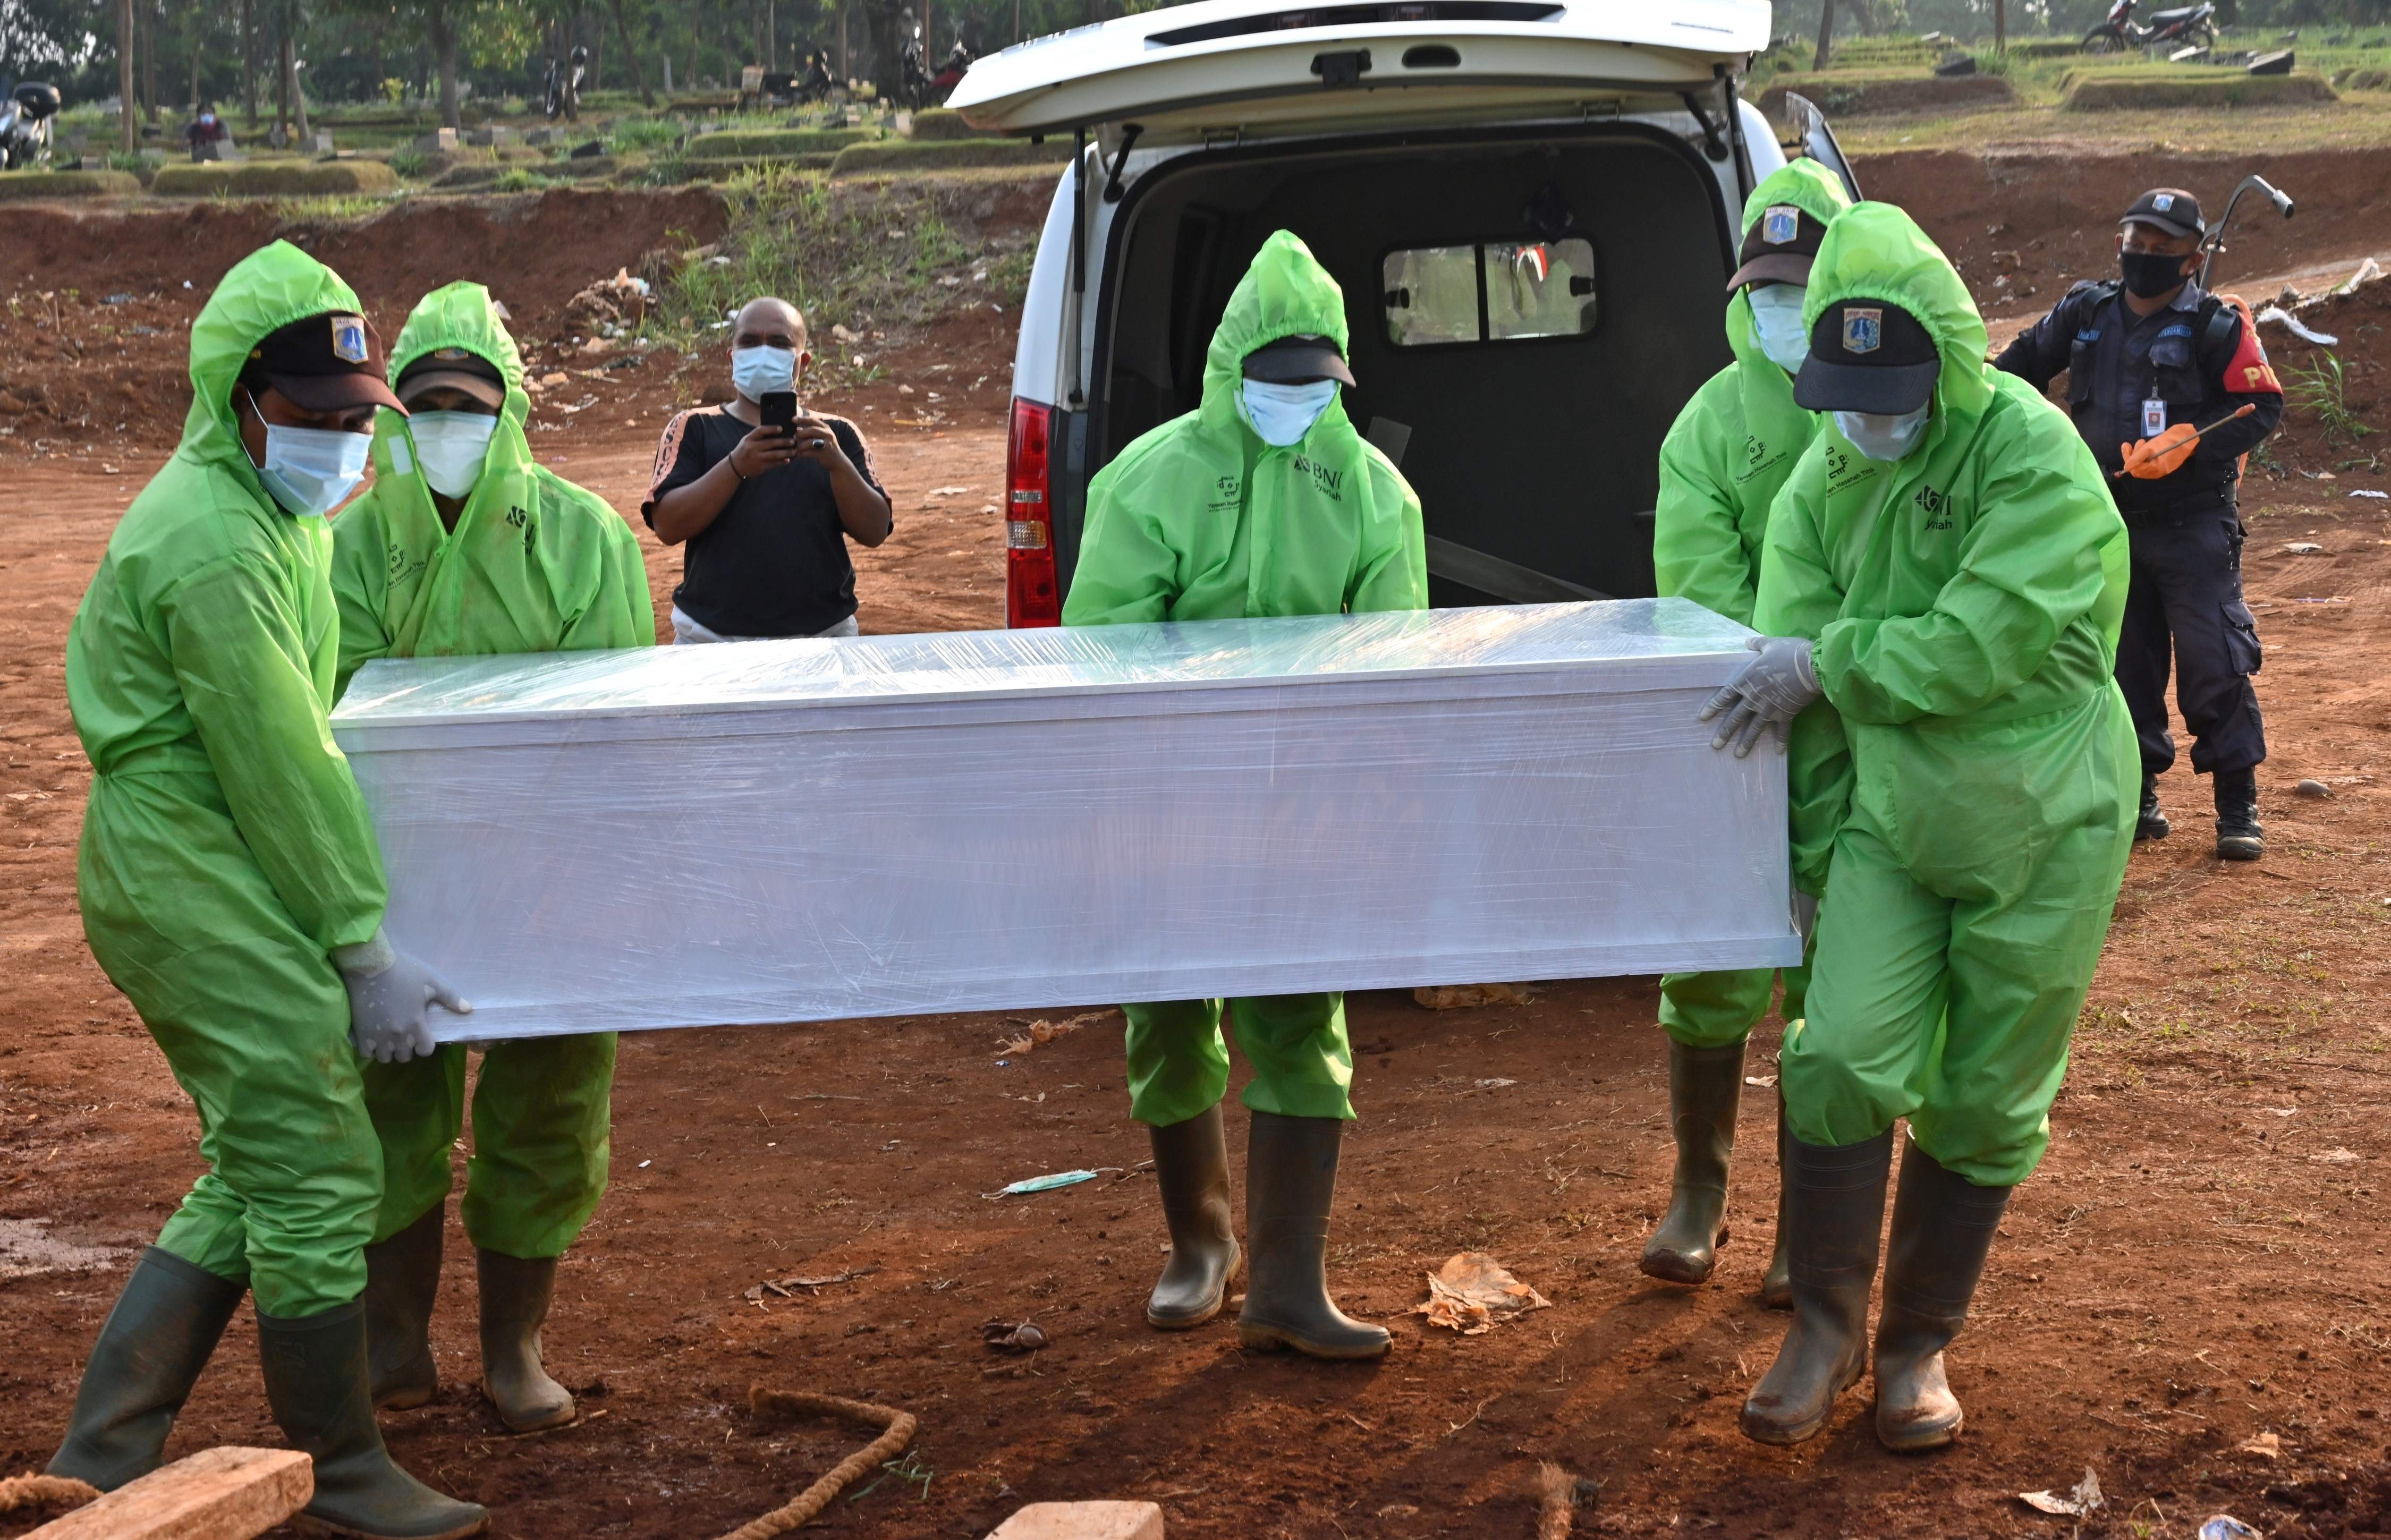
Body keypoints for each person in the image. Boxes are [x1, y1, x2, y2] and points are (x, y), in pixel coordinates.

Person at [52, 241, 486, 1539]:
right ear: (240, 397)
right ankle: (338, 1459)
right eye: (318, 416)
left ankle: (107, 1448)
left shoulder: (273, 514)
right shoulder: (214, 548)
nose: (346, 441)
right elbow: (283, 763)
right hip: (189, 860)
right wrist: (358, 948)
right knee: (313, 1159)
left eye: (360, 419)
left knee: (259, 1157)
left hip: (214, 851)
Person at [1707, 203, 2136, 1452]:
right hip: (1892, 816)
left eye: (1890, 389)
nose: (1866, 416)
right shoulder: (1819, 478)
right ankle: (1820, 1327)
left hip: (2043, 813)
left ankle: (1912, 1349)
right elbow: (1802, 698)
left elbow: (1972, 647)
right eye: (1843, 393)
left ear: (1946, 361)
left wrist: (1825, 664)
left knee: (1986, 1091)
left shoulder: (2030, 458)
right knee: (1835, 1054)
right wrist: (1801, 862)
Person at [1063, 229, 1427, 1361]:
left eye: (1315, 386)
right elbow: (1104, 649)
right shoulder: (1151, 479)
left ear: (1341, 377)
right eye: (1272, 384)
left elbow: (1391, 663)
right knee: (1168, 1011)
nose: (1293, 402)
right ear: (1231, 375)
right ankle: (1199, 1244)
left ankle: (1288, 1282)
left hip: (1304, 808)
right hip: (1169, 800)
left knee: (1303, 1020)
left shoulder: (1375, 496)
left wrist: (1348, 795)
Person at [329, 282, 656, 1435]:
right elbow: (337, 719)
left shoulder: (584, 537)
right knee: (390, 1099)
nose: (446, 425)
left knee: (548, 1103)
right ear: (394, 416)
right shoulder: (356, 543)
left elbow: (618, 717)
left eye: (467, 403)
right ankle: (394, 1344)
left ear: (508, 409)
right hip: (401, 882)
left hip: (550, 878)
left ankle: (515, 1347)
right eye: (423, 406)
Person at [1643, 158, 1854, 1305]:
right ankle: (1701, 1192)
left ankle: (1803, 1231)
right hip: (1739, 736)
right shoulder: (1708, 428)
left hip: (1862, 733)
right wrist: (1766, 668)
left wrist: (1828, 669)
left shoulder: (1887, 403)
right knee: (1716, 964)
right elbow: (1696, 583)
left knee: (1841, 982)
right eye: (1767, 287)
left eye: (1804, 284)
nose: (1783, 308)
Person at [1992, 188, 2282, 861]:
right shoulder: (2086, 312)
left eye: (2162, 249)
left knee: (2216, 659)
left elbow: (2260, 406)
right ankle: (2138, 790)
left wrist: (2192, 439)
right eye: (2135, 243)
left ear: (2193, 258)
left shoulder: (2217, 325)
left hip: (2194, 523)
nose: (2143, 258)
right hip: (2108, 522)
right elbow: (2014, 373)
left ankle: (2236, 803)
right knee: (2124, 663)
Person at [644, 296, 892, 643]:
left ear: (802, 361)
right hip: (711, 640)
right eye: (748, 342)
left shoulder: (837, 434)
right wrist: (735, 466)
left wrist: (838, 465)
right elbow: (667, 526)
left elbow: (875, 530)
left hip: (822, 638)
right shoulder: (694, 427)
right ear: (732, 357)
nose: (762, 352)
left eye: (779, 343)